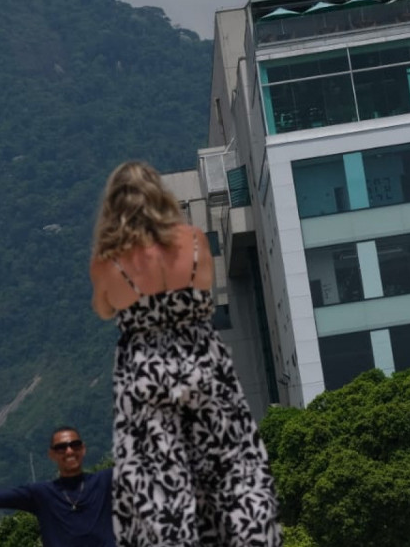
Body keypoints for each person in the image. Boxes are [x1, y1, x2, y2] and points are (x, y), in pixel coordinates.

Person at [90, 161, 280, 546]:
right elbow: (205, 289)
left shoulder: (108, 261)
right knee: (226, 458)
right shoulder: (193, 240)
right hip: (199, 356)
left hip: (145, 366)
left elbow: (105, 308)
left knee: (157, 474)